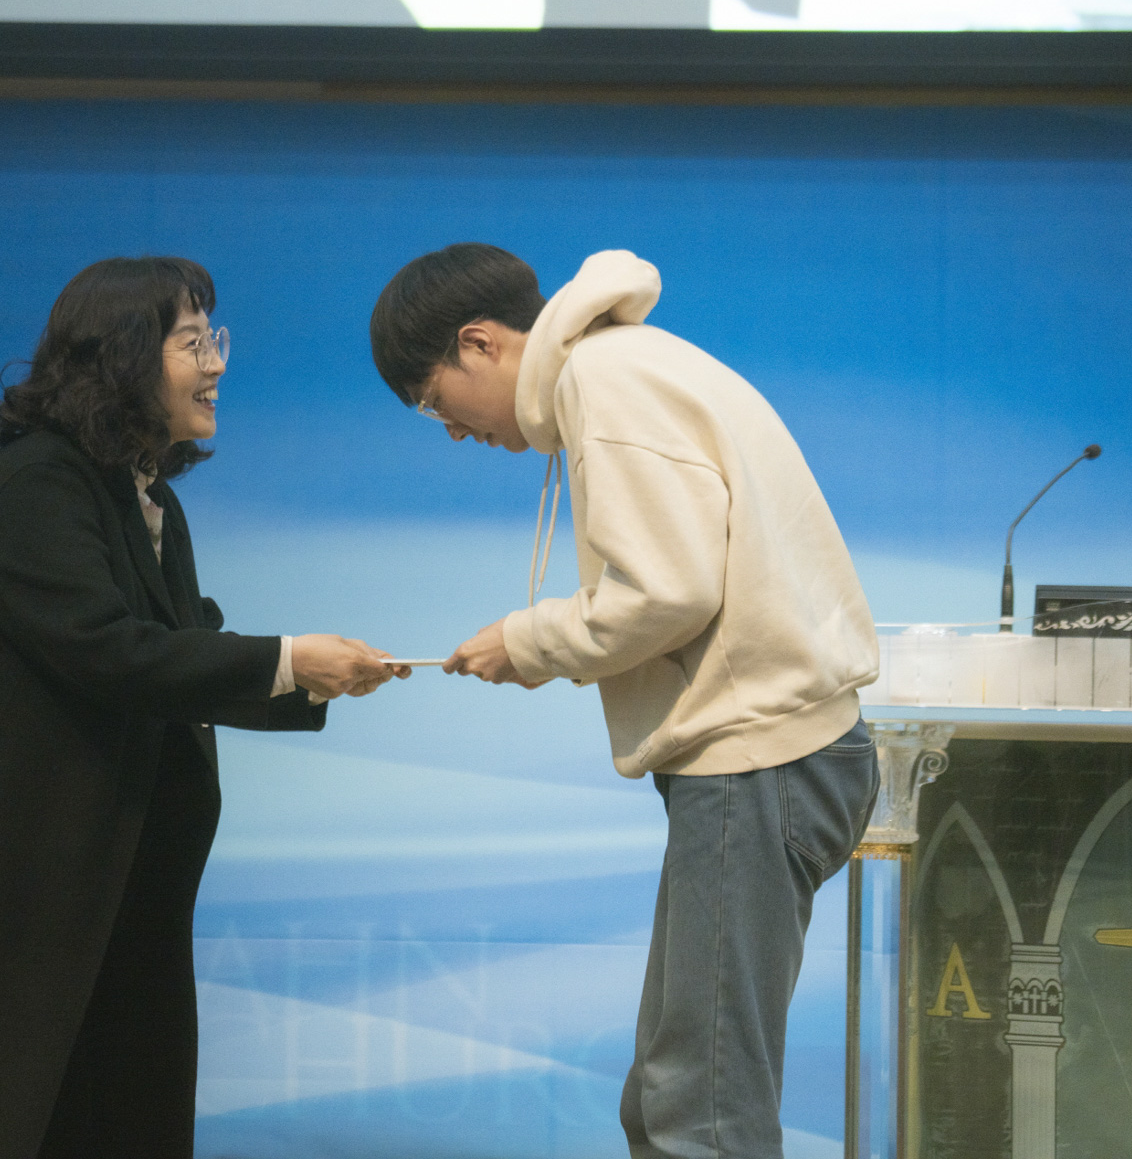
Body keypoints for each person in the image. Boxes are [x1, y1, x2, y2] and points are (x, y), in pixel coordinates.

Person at [0, 256, 403, 1159]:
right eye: (192, 341)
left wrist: (314, 678)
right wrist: (289, 660)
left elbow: (180, 651)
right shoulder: (37, 483)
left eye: (214, 338)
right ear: (122, 355)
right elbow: (108, 651)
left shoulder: (146, 497)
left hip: (85, 854)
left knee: (107, 1097)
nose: (217, 362)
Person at [369, 244, 880, 1159]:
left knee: (701, 1112)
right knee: (666, 1098)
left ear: (478, 344)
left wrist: (529, 641)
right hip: (764, 759)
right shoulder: (624, 367)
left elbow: (669, 589)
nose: (449, 432)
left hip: (756, 760)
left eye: (433, 401)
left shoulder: (605, 383)